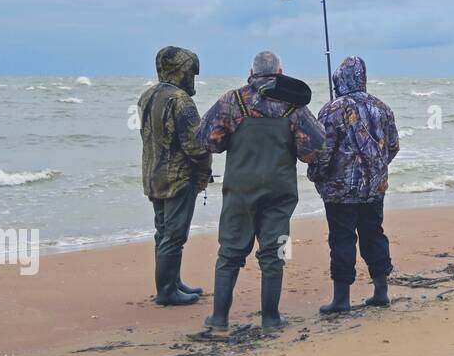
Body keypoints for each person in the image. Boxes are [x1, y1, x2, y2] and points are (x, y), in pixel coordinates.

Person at [197, 50, 324, 330]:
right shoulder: (293, 104)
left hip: (240, 189)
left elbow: (208, 141)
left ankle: (219, 318)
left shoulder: (232, 101)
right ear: (280, 73)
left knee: (229, 252)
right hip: (279, 191)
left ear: (251, 73)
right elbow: (314, 148)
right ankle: (270, 317)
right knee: (273, 253)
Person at [308, 56, 400, 314]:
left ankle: (341, 299)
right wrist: (376, 169)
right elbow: (393, 147)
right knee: (374, 236)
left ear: (339, 80)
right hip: (374, 189)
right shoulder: (382, 108)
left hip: (340, 193)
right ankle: (381, 292)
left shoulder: (331, 110)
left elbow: (323, 152)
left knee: (342, 240)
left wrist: (316, 175)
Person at [137, 46, 212, 306]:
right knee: (175, 236)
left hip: (153, 175)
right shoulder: (181, 100)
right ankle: (167, 291)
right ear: (181, 71)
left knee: (163, 232)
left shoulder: (147, 96)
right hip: (178, 178)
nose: (193, 78)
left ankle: (173, 282)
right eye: (191, 72)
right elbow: (195, 144)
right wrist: (205, 169)